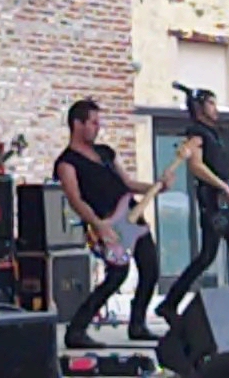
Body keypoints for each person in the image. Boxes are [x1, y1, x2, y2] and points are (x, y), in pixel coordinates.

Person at [53, 98, 177, 349]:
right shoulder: (67, 162)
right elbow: (75, 199)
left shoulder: (105, 153)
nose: (98, 127)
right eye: (93, 122)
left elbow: (128, 184)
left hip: (132, 217)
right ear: (77, 124)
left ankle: (138, 324)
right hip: (106, 224)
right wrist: (98, 224)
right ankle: (76, 329)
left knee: (150, 268)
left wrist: (156, 187)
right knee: (117, 276)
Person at [155, 88, 229, 326]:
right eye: (211, 103)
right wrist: (224, 188)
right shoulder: (197, 133)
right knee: (208, 256)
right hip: (213, 204)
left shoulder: (221, 134)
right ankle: (170, 303)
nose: (215, 108)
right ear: (199, 107)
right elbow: (196, 166)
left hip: (227, 203)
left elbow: (224, 170)